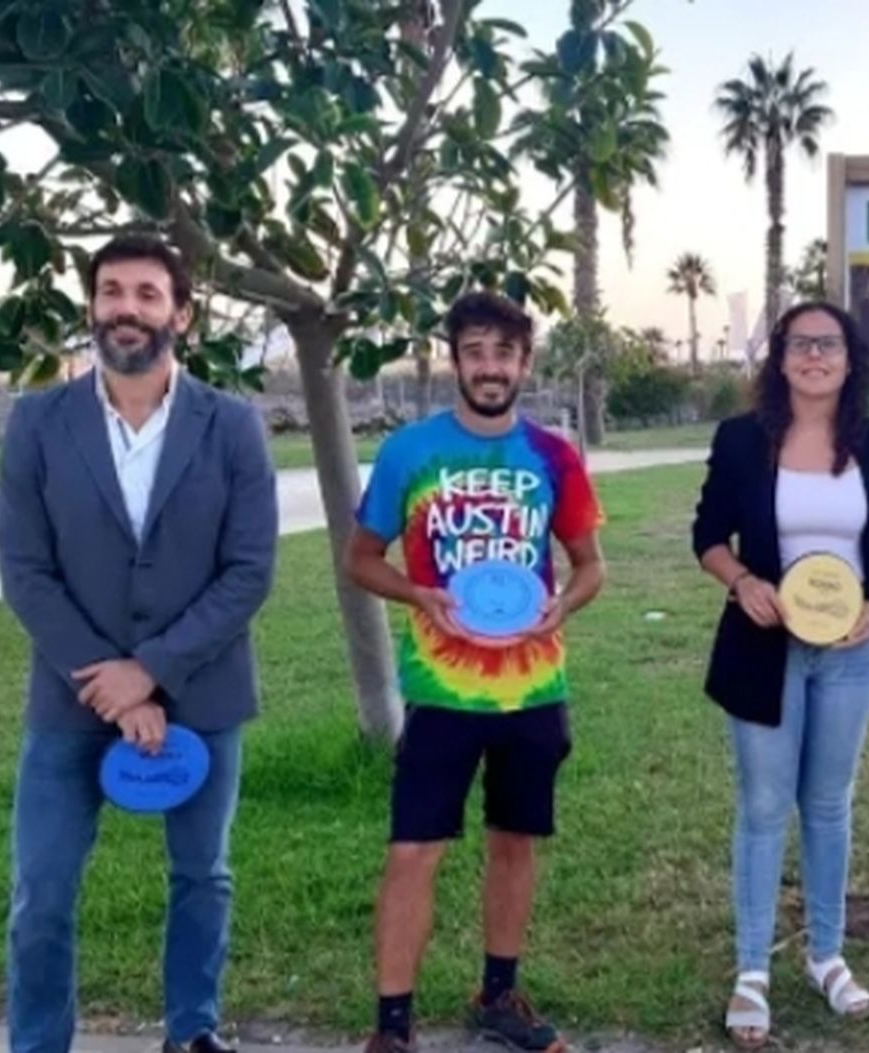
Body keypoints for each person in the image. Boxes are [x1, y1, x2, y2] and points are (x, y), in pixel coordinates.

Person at [0, 234, 279, 1053]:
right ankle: (39, 1042)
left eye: (147, 294)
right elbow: (25, 570)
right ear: (92, 308)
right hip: (70, 695)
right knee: (41, 889)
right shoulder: (38, 424)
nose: (126, 307)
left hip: (204, 691)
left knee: (203, 876)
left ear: (180, 315)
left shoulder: (232, 427)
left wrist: (149, 672)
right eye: (111, 291)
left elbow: (249, 569)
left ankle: (193, 1031)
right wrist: (110, 684)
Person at [346, 291, 605, 1053]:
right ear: (455, 359)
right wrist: (418, 593)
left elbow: (590, 566)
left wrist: (563, 607)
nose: (490, 367)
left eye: (505, 352)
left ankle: (499, 995)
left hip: (532, 687)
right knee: (412, 851)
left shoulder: (553, 456)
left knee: (514, 842)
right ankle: (392, 1028)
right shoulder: (410, 452)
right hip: (440, 690)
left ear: (525, 362)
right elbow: (360, 558)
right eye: (476, 351)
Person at [691, 301, 869, 1049]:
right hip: (763, 648)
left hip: (852, 650)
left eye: (829, 345)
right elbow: (707, 535)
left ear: (850, 360)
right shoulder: (739, 440)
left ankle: (826, 954)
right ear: (780, 358)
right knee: (764, 806)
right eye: (800, 344)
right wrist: (741, 582)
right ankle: (751, 969)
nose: (814, 356)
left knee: (828, 804)